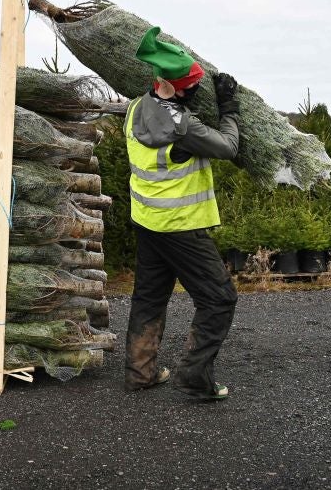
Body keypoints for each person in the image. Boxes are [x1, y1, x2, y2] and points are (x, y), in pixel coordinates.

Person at [123, 26, 240, 400]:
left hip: (147, 221)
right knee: (219, 298)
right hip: (180, 226)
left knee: (149, 298)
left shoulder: (135, 109)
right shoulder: (183, 126)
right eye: (192, 87)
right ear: (174, 88)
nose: (196, 91)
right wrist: (229, 109)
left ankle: (140, 373)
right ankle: (194, 376)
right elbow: (228, 147)